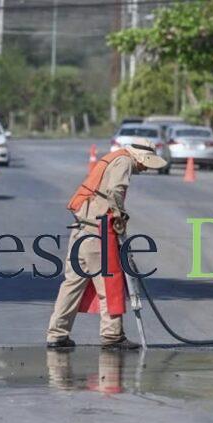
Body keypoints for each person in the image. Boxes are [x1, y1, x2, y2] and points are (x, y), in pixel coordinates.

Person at [46, 137, 167, 350]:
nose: (146, 168)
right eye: (146, 163)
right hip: (97, 233)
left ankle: (56, 334)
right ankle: (112, 336)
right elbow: (115, 191)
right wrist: (120, 217)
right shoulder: (124, 162)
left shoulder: (112, 158)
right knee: (110, 283)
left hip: (81, 231)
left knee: (72, 285)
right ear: (140, 156)